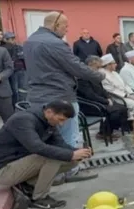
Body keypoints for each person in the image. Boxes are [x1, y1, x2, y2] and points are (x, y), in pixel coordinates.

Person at [23, 12, 104, 183]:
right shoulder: (55, 43)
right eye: (65, 27)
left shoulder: (30, 41)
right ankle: (71, 170)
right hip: (60, 95)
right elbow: (76, 67)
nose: (67, 30)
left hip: (37, 96)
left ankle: (55, 173)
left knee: (50, 136)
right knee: (69, 135)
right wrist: (99, 76)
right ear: (55, 25)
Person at [0, 100, 92, 209]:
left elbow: (60, 144)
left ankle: (29, 184)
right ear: (49, 112)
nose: (61, 124)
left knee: (73, 160)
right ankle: (39, 199)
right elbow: (36, 147)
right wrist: (71, 154)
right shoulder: (23, 120)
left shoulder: (48, 121)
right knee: (52, 158)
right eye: (61, 119)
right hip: (4, 170)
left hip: (21, 164)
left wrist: (79, 152)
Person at [78, 56, 131, 138]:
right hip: (90, 105)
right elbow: (90, 95)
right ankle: (104, 133)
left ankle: (110, 130)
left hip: (99, 102)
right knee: (115, 111)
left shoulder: (95, 76)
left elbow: (103, 90)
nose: (99, 70)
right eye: (97, 67)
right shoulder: (82, 78)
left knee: (123, 108)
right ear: (89, 65)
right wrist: (105, 101)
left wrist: (108, 97)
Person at [3, 32, 26, 105]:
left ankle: (22, 103)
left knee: (22, 89)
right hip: (10, 72)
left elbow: (23, 58)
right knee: (14, 90)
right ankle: (16, 105)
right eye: (10, 39)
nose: (13, 40)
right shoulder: (3, 49)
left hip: (20, 70)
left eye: (13, 38)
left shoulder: (19, 47)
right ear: (5, 40)